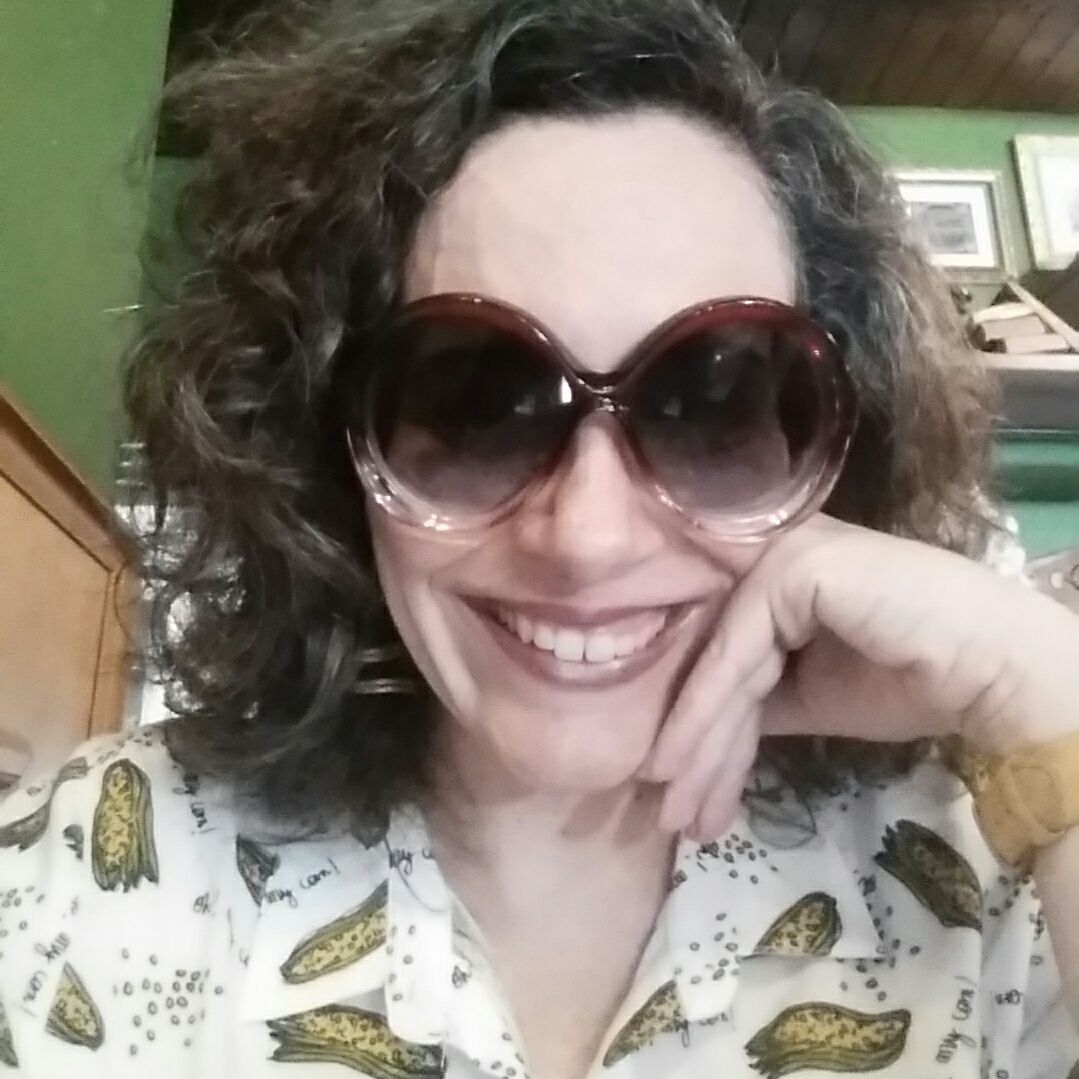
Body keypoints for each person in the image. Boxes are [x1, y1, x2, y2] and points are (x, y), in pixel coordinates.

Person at [1, 1, 1078, 1076]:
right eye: (476, 404)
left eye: (710, 407)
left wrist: (1045, 690)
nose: (587, 538)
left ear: (827, 453)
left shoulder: (997, 888)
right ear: (330, 450)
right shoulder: (84, 879)